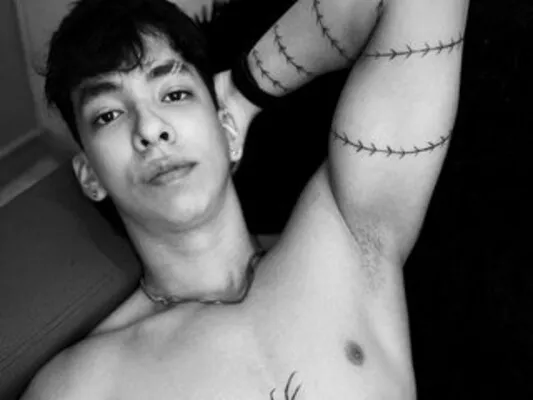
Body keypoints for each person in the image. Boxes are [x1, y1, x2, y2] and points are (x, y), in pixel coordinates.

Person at [22, 0, 469, 398]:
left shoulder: (349, 241)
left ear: (228, 130)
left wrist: (242, 90)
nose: (150, 128)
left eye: (174, 94)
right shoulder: (82, 384)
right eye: (108, 115)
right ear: (90, 176)